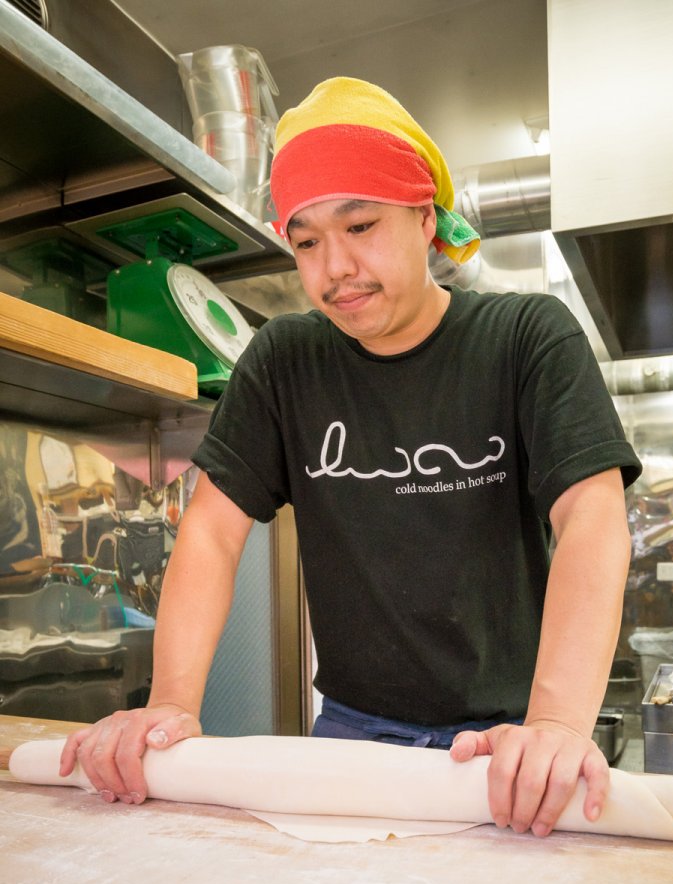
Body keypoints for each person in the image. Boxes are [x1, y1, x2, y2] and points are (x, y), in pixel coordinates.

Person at [60, 77, 641, 837]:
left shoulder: (526, 338)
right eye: (306, 241)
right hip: (350, 738)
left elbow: (592, 518)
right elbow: (211, 530)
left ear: (424, 219)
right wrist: (169, 702)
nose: (333, 267)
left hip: (510, 741)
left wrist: (558, 722)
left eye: (361, 225)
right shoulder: (285, 360)